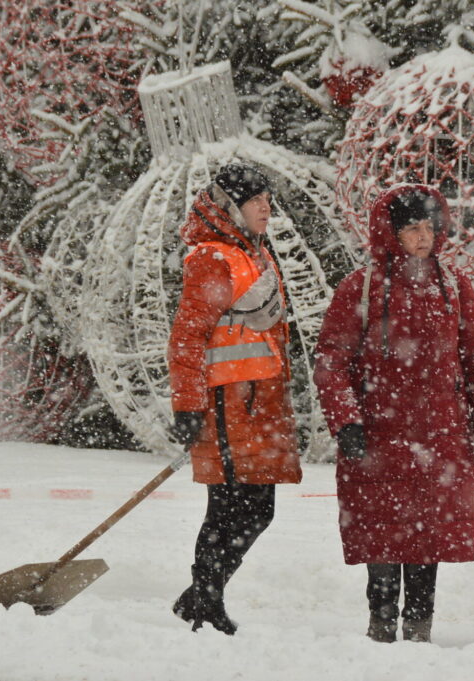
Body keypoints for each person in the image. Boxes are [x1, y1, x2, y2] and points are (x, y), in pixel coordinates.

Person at [312, 184, 474, 644]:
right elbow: (331, 361)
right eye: (412, 229)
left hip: (441, 433)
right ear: (390, 232)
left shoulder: (455, 287)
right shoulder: (359, 288)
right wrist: (347, 421)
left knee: (428, 534)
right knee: (382, 533)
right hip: (379, 434)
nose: (422, 238)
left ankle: (420, 627)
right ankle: (381, 624)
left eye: (428, 228)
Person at [167, 162, 302, 636]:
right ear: (230, 207)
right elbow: (187, 337)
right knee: (226, 508)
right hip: (225, 403)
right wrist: (187, 405)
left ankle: (199, 596)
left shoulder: (254, 254)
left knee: (258, 508)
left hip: (260, 401)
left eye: (268, 199)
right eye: (256, 200)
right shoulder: (213, 257)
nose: (267, 208)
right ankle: (205, 600)